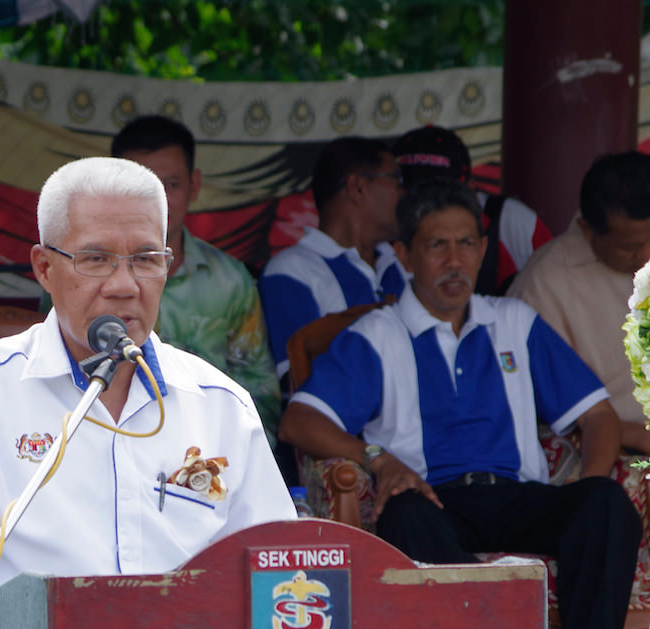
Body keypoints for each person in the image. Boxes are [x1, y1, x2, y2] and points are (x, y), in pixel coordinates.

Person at [279, 178, 639, 629]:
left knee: (604, 504)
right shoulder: (378, 334)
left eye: (467, 244)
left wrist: (586, 482)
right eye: (437, 246)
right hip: (432, 501)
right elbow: (299, 421)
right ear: (405, 255)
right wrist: (376, 456)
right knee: (405, 516)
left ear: (481, 247)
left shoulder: (515, 322)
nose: (455, 261)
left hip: (518, 495)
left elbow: (597, 417)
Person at [0, 157, 295, 626]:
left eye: (145, 259)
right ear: (43, 268)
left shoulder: (220, 406)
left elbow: (275, 565)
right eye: (95, 259)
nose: (123, 285)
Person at [108, 115, 281, 446]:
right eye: (138, 187)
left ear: (194, 185)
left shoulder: (231, 282)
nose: (155, 201)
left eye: (170, 185)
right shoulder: (85, 277)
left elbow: (261, 396)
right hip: (110, 441)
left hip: (208, 450)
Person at [509, 150, 650, 454]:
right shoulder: (546, 281)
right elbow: (532, 406)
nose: (646, 254)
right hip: (615, 445)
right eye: (631, 247)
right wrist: (630, 434)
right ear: (588, 230)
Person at [258, 136, 408, 381]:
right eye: (397, 180)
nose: (405, 193)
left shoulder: (403, 262)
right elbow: (298, 379)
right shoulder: (291, 270)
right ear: (357, 187)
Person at [393, 124, 551, 295]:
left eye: (446, 192)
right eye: (415, 192)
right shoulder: (384, 230)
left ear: (471, 186)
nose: (432, 202)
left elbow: (552, 287)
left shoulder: (509, 220)